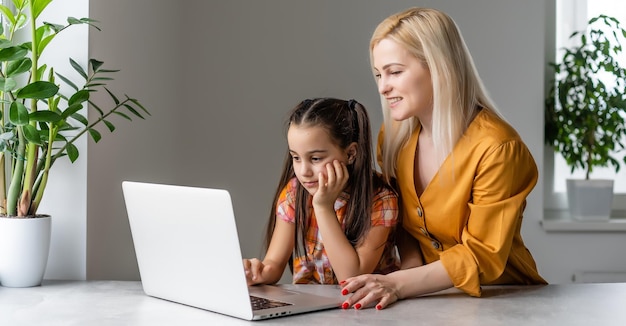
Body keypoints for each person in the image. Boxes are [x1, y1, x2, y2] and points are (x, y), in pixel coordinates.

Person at [340, 7, 547, 310]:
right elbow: (400, 221)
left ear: (439, 66)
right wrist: (408, 269)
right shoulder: (394, 138)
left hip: (503, 300)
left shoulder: (498, 148)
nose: (383, 87)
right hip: (426, 300)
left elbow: (483, 253)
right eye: (378, 74)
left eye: (395, 71)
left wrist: (398, 283)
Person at [243, 98, 400, 286]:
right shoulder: (295, 192)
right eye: (296, 157)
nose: (303, 171)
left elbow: (352, 276)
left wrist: (323, 206)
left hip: (366, 307)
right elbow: (274, 264)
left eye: (315, 158)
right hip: (314, 304)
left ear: (350, 154)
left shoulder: (381, 199)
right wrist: (256, 272)